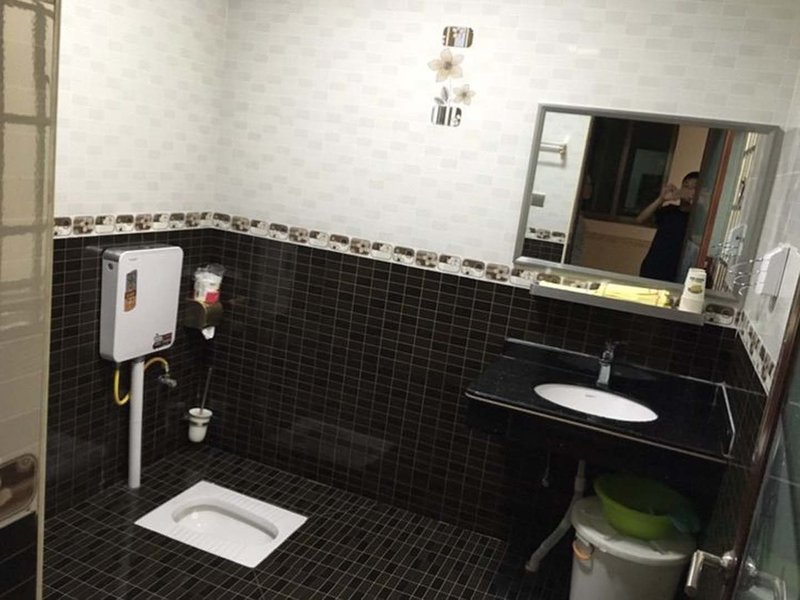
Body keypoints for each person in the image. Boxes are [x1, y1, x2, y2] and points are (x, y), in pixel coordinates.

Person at [636, 171, 699, 281]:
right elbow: (640, 219)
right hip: (653, 268)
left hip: (678, 274)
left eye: (694, 188)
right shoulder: (669, 210)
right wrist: (661, 199)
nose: (688, 191)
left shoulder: (698, 218)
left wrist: (698, 202)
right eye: (686, 186)